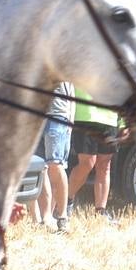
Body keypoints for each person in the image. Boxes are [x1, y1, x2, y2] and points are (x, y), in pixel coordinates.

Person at [67, 97, 120, 223]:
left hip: (110, 117)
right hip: (86, 114)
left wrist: (122, 122)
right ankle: (66, 201)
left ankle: (100, 210)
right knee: (87, 163)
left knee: (104, 166)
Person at [41, 82, 73, 233]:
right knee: (43, 167)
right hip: (41, 116)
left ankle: (62, 217)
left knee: (55, 165)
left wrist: (69, 121)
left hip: (56, 116)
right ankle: (46, 217)